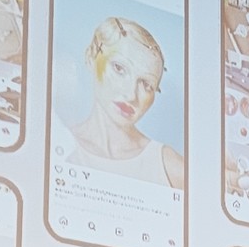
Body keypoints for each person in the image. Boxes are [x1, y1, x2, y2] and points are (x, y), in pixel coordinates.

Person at [66, 17, 185, 188]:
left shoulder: (170, 167)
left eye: (146, 84)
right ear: (91, 58)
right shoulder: (57, 142)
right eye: (119, 68)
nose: (130, 95)